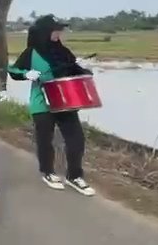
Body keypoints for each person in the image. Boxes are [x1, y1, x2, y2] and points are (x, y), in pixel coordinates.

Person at [8, 15, 96, 196]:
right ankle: (48, 172)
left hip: (66, 102)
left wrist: (84, 68)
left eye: (59, 30)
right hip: (43, 103)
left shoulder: (63, 52)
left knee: (76, 139)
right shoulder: (31, 53)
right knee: (45, 140)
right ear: (45, 32)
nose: (58, 33)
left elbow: (75, 71)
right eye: (55, 30)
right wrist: (27, 74)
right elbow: (14, 71)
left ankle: (75, 176)